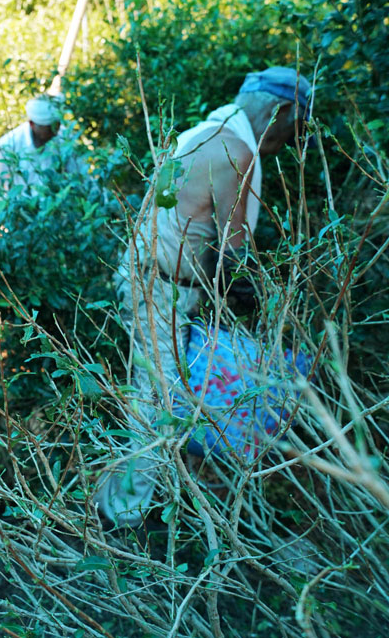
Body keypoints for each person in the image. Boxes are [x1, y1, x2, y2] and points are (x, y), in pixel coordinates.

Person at [95, 66, 312, 529]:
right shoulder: (237, 151)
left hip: (146, 277)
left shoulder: (200, 132)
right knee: (157, 403)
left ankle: (145, 501)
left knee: (155, 393)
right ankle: (121, 519)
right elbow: (233, 257)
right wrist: (263, 313)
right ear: (280, 112)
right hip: (163, 290)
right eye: (296, 129)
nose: (290, 143)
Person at [0, 94, 85, 195]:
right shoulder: (8, 145)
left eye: (57, 125)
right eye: (49, 128)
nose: (55, 131)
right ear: (32, 124)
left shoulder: (65, 138)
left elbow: (81, 177)